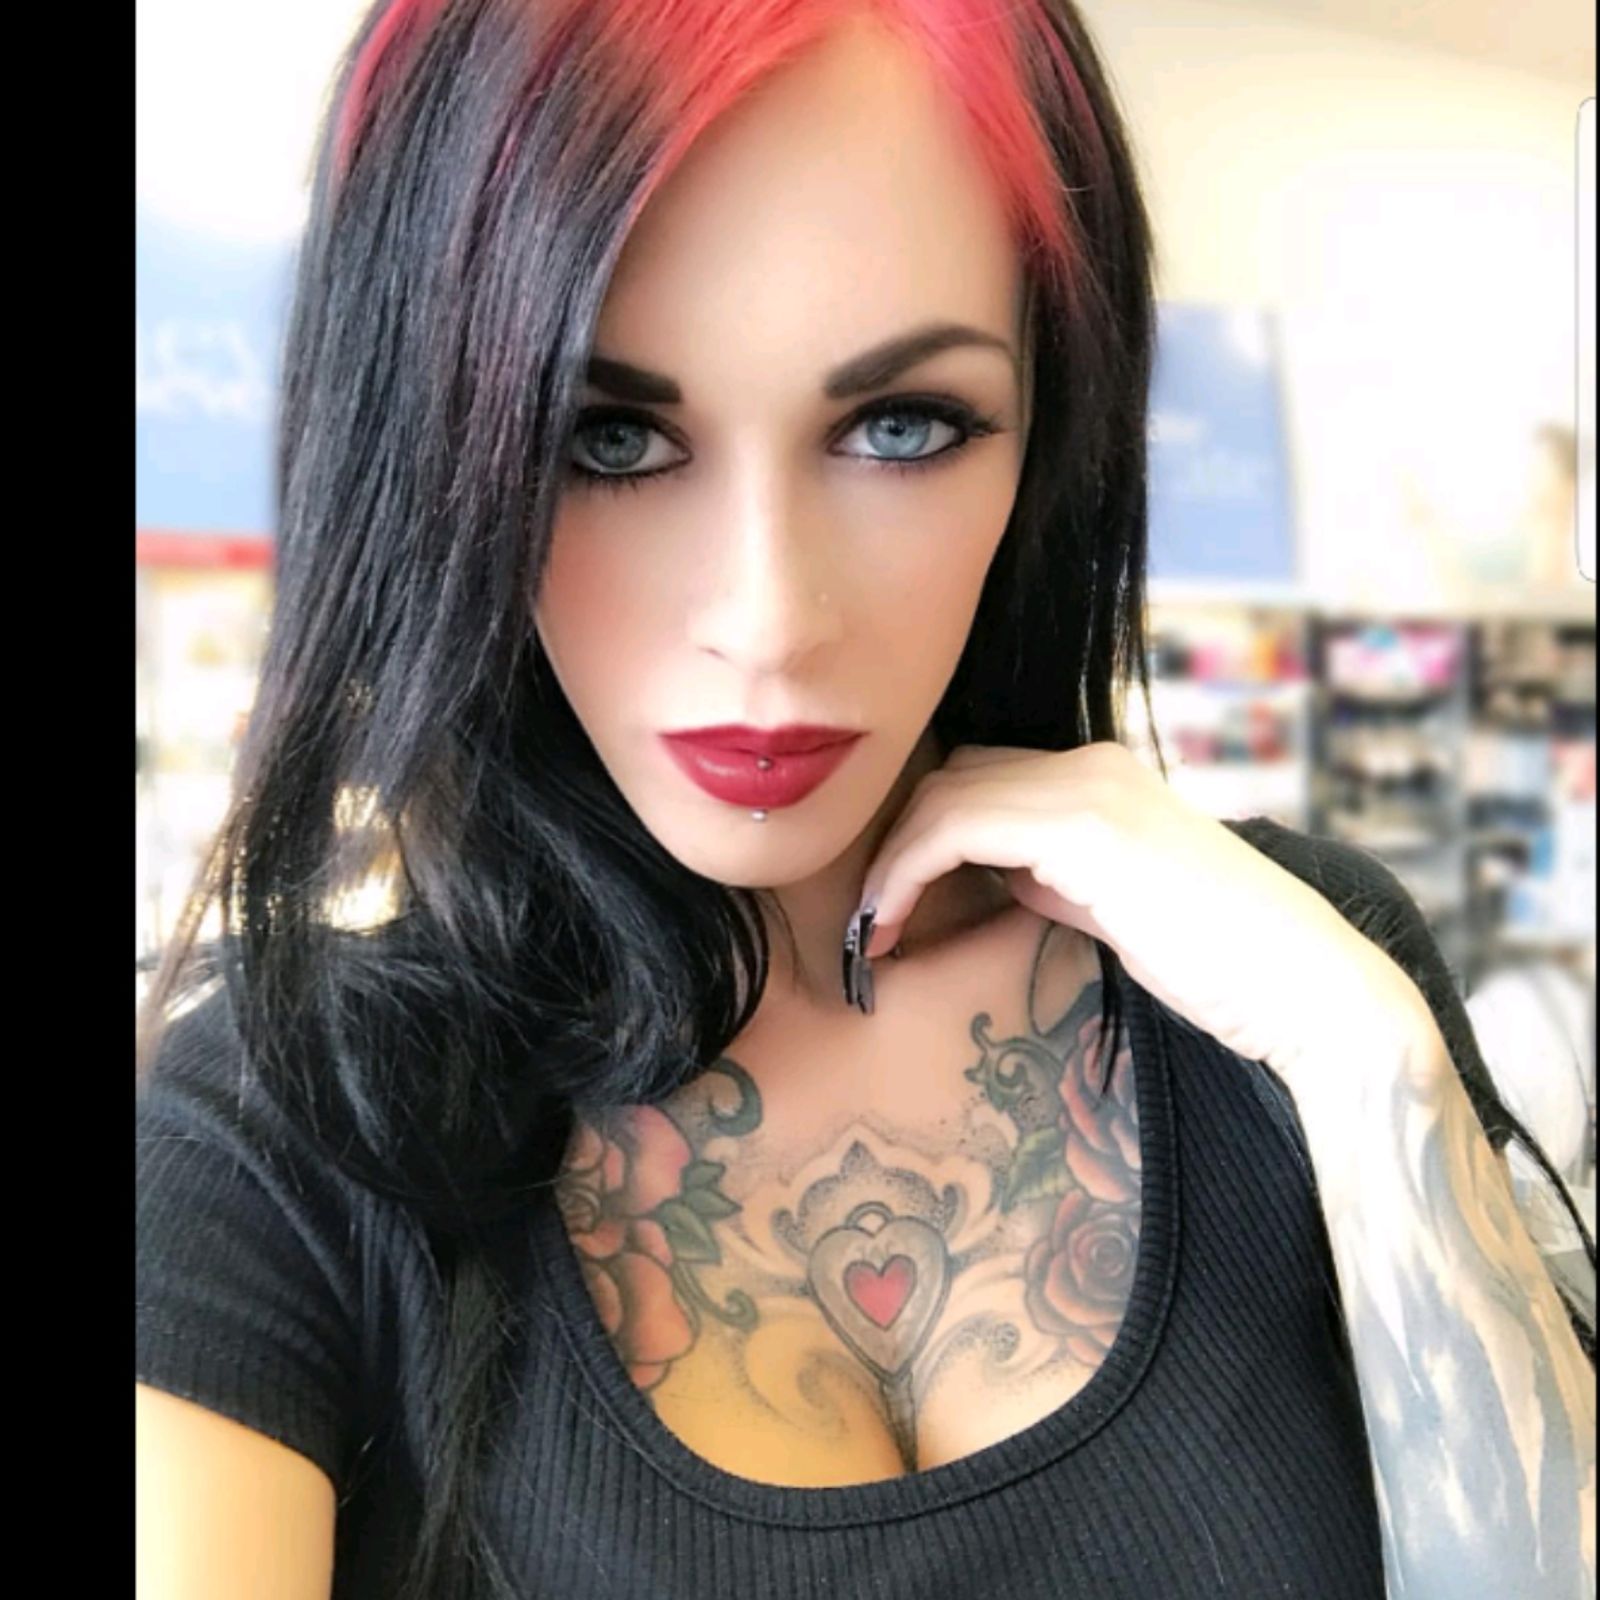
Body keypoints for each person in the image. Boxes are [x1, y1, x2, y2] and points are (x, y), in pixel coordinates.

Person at [135, 2, 1597, 1597]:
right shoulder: (275, 1137)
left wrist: (1367, 1058)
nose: (769, 619)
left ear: (1046, 436)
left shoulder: (1297, 982)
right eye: (605, 436)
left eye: (902, 428)